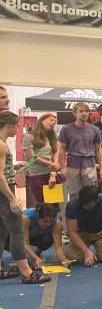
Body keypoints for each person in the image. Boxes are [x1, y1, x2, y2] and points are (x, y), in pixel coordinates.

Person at [0, 111, 50, 283]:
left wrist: (13, 166)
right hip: (3, 192)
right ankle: (26, 273)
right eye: (17, 125)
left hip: (3, 189)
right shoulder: (1, 145)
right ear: (9, 125)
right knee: (17, 230)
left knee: (1, 232)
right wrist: (11, 197)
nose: (18, 129)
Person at [54, 102, 102, 198]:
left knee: (91, 194)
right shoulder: (66, 129)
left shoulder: (95, 130)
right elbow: (61, 149)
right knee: (74, 195)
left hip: (89, 164)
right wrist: (63, 167)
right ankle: (75, 213)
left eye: (86, 111)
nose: (84, 113)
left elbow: (98, 149)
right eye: (81, 111)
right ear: (75, 113)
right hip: (72, 164)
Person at [22, 113, 59, 206]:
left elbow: (55, 154)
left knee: (53, 206)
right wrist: (50, 163)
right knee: (41, 207)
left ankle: (54, 221)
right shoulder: (29, 136)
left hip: (51, 176)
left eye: (55, 121)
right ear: (42, 120)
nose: (53, 122)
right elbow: (32, 157)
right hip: (37, 175)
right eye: (51, 120)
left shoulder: (51, 137)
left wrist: (53, 173)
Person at [23, 203, 73, 269]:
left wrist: (64, 260)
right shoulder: (25, 219)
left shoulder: (57, 224)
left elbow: (58, 247)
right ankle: (26, 256)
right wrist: (35, 258)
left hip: (35, 235)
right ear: (38, 217)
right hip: (14, 237)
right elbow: (25, 243)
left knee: (47, 240)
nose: (48, 224)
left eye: (50, 221)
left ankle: (36, 253)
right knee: (26, 260)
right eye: (45, 221)